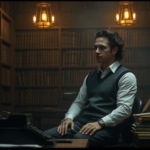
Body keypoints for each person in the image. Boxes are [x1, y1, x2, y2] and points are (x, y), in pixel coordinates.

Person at [44, 29, 137, 148]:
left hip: (108, 129)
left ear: (114, 50)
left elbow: (124, 109)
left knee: (79, 140)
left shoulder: (126, 76)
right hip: (82, 123)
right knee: (46, 137)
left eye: (102, 48)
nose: (97, 51)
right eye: (95, 47)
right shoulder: (90, 76)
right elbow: (79, 102)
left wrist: (100, 123)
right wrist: (68, 118)